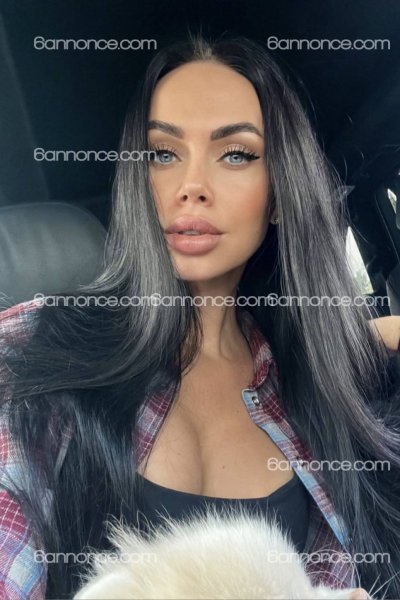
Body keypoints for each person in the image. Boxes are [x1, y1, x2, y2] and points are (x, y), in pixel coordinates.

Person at [1, 34, 400, 600]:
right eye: (163, 154)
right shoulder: (30, 348)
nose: (191, 187)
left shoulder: (314, 379)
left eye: (235, 154)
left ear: (280, 194)